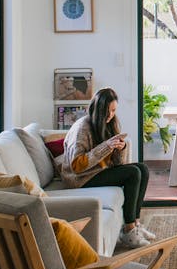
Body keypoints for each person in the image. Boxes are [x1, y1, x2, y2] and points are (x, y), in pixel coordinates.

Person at [61, 86, 155, 248]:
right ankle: (128, 230)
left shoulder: (110, 123)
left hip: (96, 172)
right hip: (79, 179)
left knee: (142, 169)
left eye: (113, 111)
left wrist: (120, 148)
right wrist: (106, 147)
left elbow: (118, 164)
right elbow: (76, 165)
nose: (111, 115)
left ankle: (136, 225)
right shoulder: (82, 127)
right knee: (133, 173)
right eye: (108, 111)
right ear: (98, 109)